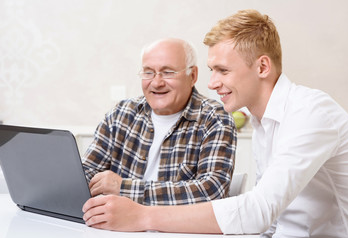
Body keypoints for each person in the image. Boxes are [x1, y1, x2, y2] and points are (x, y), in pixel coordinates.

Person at [82, 10, 348, 238]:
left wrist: (142, 216)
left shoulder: (312, 113)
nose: (212, 83)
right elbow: (271, 223)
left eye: (223, 71)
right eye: (212, 70)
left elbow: (258, 211)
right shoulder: (264, 121)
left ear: (262, 67)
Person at [82, 38, 237, 206]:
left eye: (168, 72)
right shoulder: (120, 114)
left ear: (192, 76)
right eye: (148, 72)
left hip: (177, 232)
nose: (156, 82)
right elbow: (86, 173)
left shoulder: (214, 119)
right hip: (115, 230)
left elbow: (212, 191)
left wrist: (124, 188)